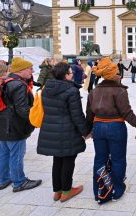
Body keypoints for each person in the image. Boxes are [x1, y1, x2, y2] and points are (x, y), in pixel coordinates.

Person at [86, 57, 136, 202]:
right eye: (118, 73)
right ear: (112, 74)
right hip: (116, 127)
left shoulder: (94, 91)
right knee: (118, 159)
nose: (120, 75)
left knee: (100, 159)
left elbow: (89, 115)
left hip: (98, 127)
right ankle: (116, 190)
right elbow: (126, 112)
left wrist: (87, 131)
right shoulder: (119, 91)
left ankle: (100, 191)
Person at [37, 62, 91, 202]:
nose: (72, 74)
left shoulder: (47, 88)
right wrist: (85, 132)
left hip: (52, 129)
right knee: (68, 160)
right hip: (67, 130)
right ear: (65, 75)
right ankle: (66, 191)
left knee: (57, 160)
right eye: (70, 72)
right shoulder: (71, 90)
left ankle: (58, 190)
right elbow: (77, 115)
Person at [0, 57, 42, 191]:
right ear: (21, 70)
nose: (32, 71)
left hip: (1, 123)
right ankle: (19, 182)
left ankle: (4, 180)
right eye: (30, 68)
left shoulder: (6, 80)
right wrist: (34, 119)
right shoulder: (18, 85)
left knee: (4, 153)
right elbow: (22, 109)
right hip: (13, 125)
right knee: (16, 154)